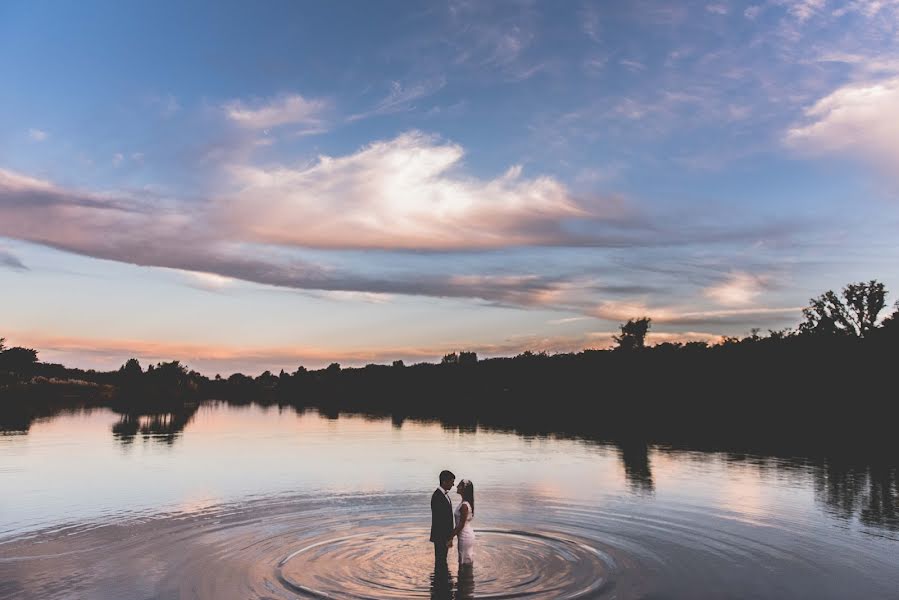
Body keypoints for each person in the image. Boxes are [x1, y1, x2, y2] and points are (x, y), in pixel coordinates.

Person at [430, 470, 456, 573]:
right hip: (440, 537)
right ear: (444, 482)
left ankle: (442, 582)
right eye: (451, 482)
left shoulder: (444, 495)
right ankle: (440, 584)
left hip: (443, 536)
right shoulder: (437, 496)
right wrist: (448, 538)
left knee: (442, 560)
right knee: (440, 561)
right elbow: (440, 521)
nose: (453, 484)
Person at [450, 479, 475, 567]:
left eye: (459, 485)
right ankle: (466, 578)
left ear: (464, 489)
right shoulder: (465, 503)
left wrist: (450, 537)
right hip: (465, 534)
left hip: (465, 535)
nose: (456, 486)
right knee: (465, 558)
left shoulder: (464, 505)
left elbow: (461, 525)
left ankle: (465, 578)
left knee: (464, 560)